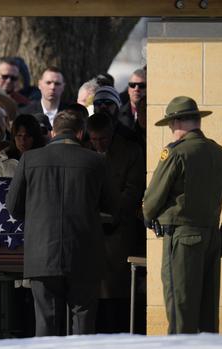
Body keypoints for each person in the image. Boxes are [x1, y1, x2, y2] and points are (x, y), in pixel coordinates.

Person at [6, 111, 117, 336]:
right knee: (83, 325)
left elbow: (13, 207)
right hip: (84, 253)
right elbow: (113, 205)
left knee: (46, 323)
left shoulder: (29, 159)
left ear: (54, 132)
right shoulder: (96, 160)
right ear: (80, 132)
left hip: (42, 254)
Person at [143, 96, 222, 334]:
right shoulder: (219, 153)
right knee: (207, 313)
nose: (171, 130)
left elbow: (151, 201)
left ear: (179, 122)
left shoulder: (176, 153)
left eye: (171, 125)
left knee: (180, 310)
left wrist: (150, 214)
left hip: (182, 240)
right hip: (212, 237)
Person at [87, 112, 145, 333]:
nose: (98, 144)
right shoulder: (85, 152)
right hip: (92, 233)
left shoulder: (130, 151)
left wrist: (112, 216)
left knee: (117, 294)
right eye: (93, 139)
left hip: (119, 232)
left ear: (111, 133)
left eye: (102, 139)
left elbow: (132, 190)